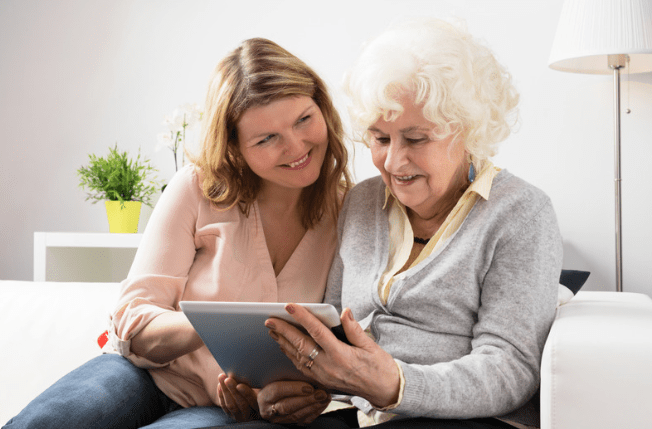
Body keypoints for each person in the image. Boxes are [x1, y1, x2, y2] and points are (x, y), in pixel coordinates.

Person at [218, 19, 563, 429]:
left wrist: (396, 385)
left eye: (416, 139)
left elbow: (511, 369)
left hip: (459, 417)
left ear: (468, 130)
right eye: (380, 139)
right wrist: (299, 390)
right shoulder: (362, 201)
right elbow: (335, 332)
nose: (394, 162)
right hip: (351, 412)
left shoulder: (521, 213)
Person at [3, 37, 352, 429]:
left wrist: (285, 398)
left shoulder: (349, 214)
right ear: (235, 146)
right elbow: (133, 321)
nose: (296, 146)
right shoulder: (198, 188)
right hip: (143, 375)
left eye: (303, 119)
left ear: (322, 106)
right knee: (46, 424)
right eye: (266, 138)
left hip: (223, 410)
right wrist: (216, 327)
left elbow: (341, 350)